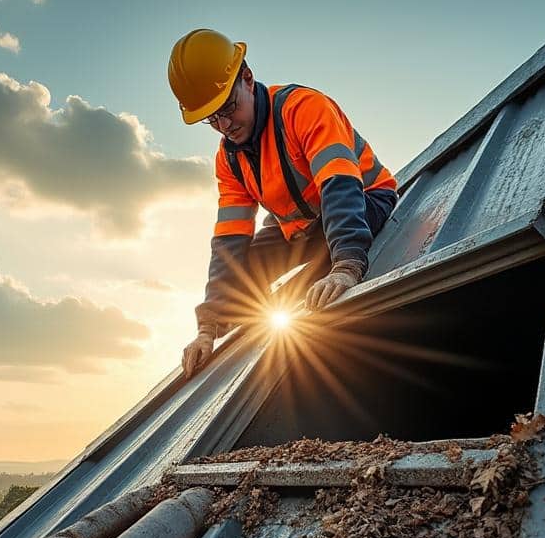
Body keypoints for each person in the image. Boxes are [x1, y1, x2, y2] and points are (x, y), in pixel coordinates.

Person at [168, 28, 399, 378]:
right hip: (301, 229)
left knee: (325, 248)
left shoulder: (303, 109)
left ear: (247, 78)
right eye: (211, 118)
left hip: (362, 201)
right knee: (245, 272)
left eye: (228, 108)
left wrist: (346, 266)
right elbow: (230, 242)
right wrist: (208, 328)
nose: (224, 124)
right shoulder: (229, 158)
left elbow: (340, 186)